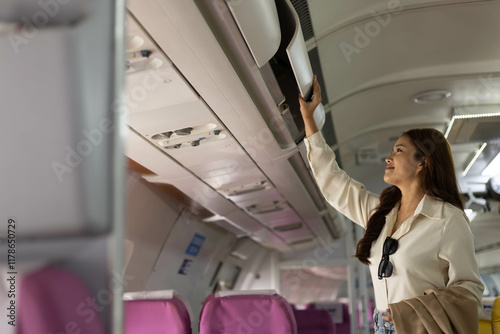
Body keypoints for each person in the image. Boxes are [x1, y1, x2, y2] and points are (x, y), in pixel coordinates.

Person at [299, 76, 484, 333]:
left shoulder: (447, 219)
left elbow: (469, 290)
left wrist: (416, 310)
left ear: (423, 162)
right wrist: (310, 122)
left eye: (399, 150)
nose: (389, 156)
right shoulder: (381, 214)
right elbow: (334, 185)